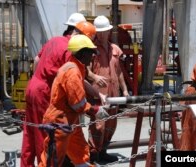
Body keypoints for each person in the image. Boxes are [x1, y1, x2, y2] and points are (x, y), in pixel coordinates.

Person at [20, 13, 98, 167]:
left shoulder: (55, 40)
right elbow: (73, 83)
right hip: (45, 92)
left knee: (30, 134)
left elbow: (37, 60)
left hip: (33, 86)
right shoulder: (71, 50)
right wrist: (96, 97)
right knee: (47, 136)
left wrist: (40, 78)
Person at [38, 34, 109, 167]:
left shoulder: (75, 68)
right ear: (82, 54)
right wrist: (96, 110)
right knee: (52, 160)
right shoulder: (72, 72)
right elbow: (78, 103)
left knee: (81, 152)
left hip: (70, 121)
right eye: (91, 53)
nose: (93, 56)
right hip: (60, 122)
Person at [86, 15, 129, 162]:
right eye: (101, 31)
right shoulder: (91, 49)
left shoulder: (115, 49)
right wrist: (95, 78)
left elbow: (119, 72)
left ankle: (103, 151)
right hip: (98, 94)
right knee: (98, 126)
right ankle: (93, 154)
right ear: (96, 32)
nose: (103, 34)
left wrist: (124, 90)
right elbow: (86, 70)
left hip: (113, 93)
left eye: (106, 31)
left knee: (111, 123)